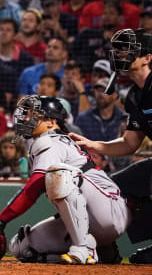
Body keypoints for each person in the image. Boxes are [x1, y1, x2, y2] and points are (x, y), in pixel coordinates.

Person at [0, 95, 131, 264]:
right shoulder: (45, 141)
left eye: (34, 115)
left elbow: (33, 188)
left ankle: (83, 248)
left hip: (109, 210)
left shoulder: (51, 140)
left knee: (59, 175)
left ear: (51, 122)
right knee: (22, 248)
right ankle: (103, 250)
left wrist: (0, 221)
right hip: (90, 217)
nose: (26, 118)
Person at [69, 28, 152, 263]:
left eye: (128, 50)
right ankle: (104, 245)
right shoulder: (135, 96)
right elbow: (130, 143)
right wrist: (94, 145)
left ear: (147, 57)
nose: (120, 54)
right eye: (118, 49)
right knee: (114, 186)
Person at [75, 78, 124, 143]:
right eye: (98, 90)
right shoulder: (83, 118)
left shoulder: (124, 119)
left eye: (105, 90)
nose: (100, 94)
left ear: (115, 95)